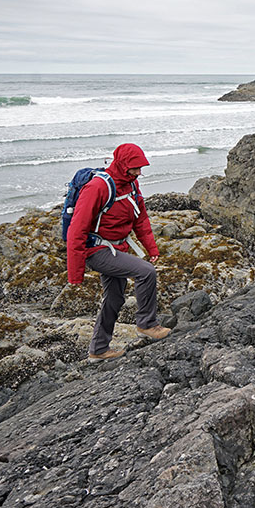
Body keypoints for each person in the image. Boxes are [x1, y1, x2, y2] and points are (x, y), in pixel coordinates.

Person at [66, 143, 171, 360]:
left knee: (114, 298)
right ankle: (147, 324)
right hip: (96, 250)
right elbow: (76, 229)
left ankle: (98, 349)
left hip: (117, 247)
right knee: (146, 272)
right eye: (135, 167)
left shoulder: (131, 184)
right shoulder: (97, 187)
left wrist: (150, 247)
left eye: (141, 167)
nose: (139, 172)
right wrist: (75, 274)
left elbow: (140, 218)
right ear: (123, 164)